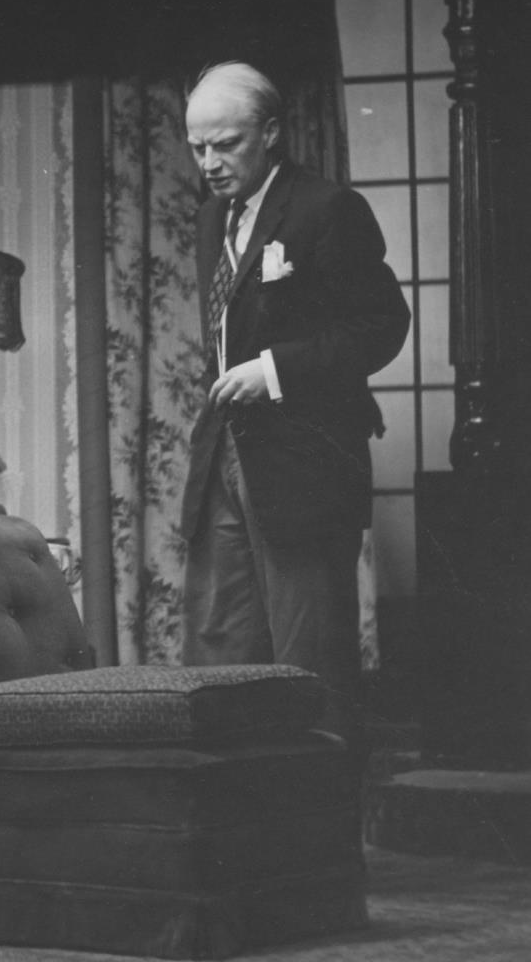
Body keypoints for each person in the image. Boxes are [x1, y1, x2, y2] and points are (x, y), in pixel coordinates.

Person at [179, 62, 410, 759]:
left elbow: (381, 325)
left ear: (272, 132)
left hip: (304, 463)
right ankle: (234, 805)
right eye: (198, 147)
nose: (210, 163)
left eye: (227, 144)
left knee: (310, 658)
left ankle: (320, 813)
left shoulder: (326, 208)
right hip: (226, 454)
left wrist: (275, 372)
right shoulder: (213, 217)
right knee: (222, 643)